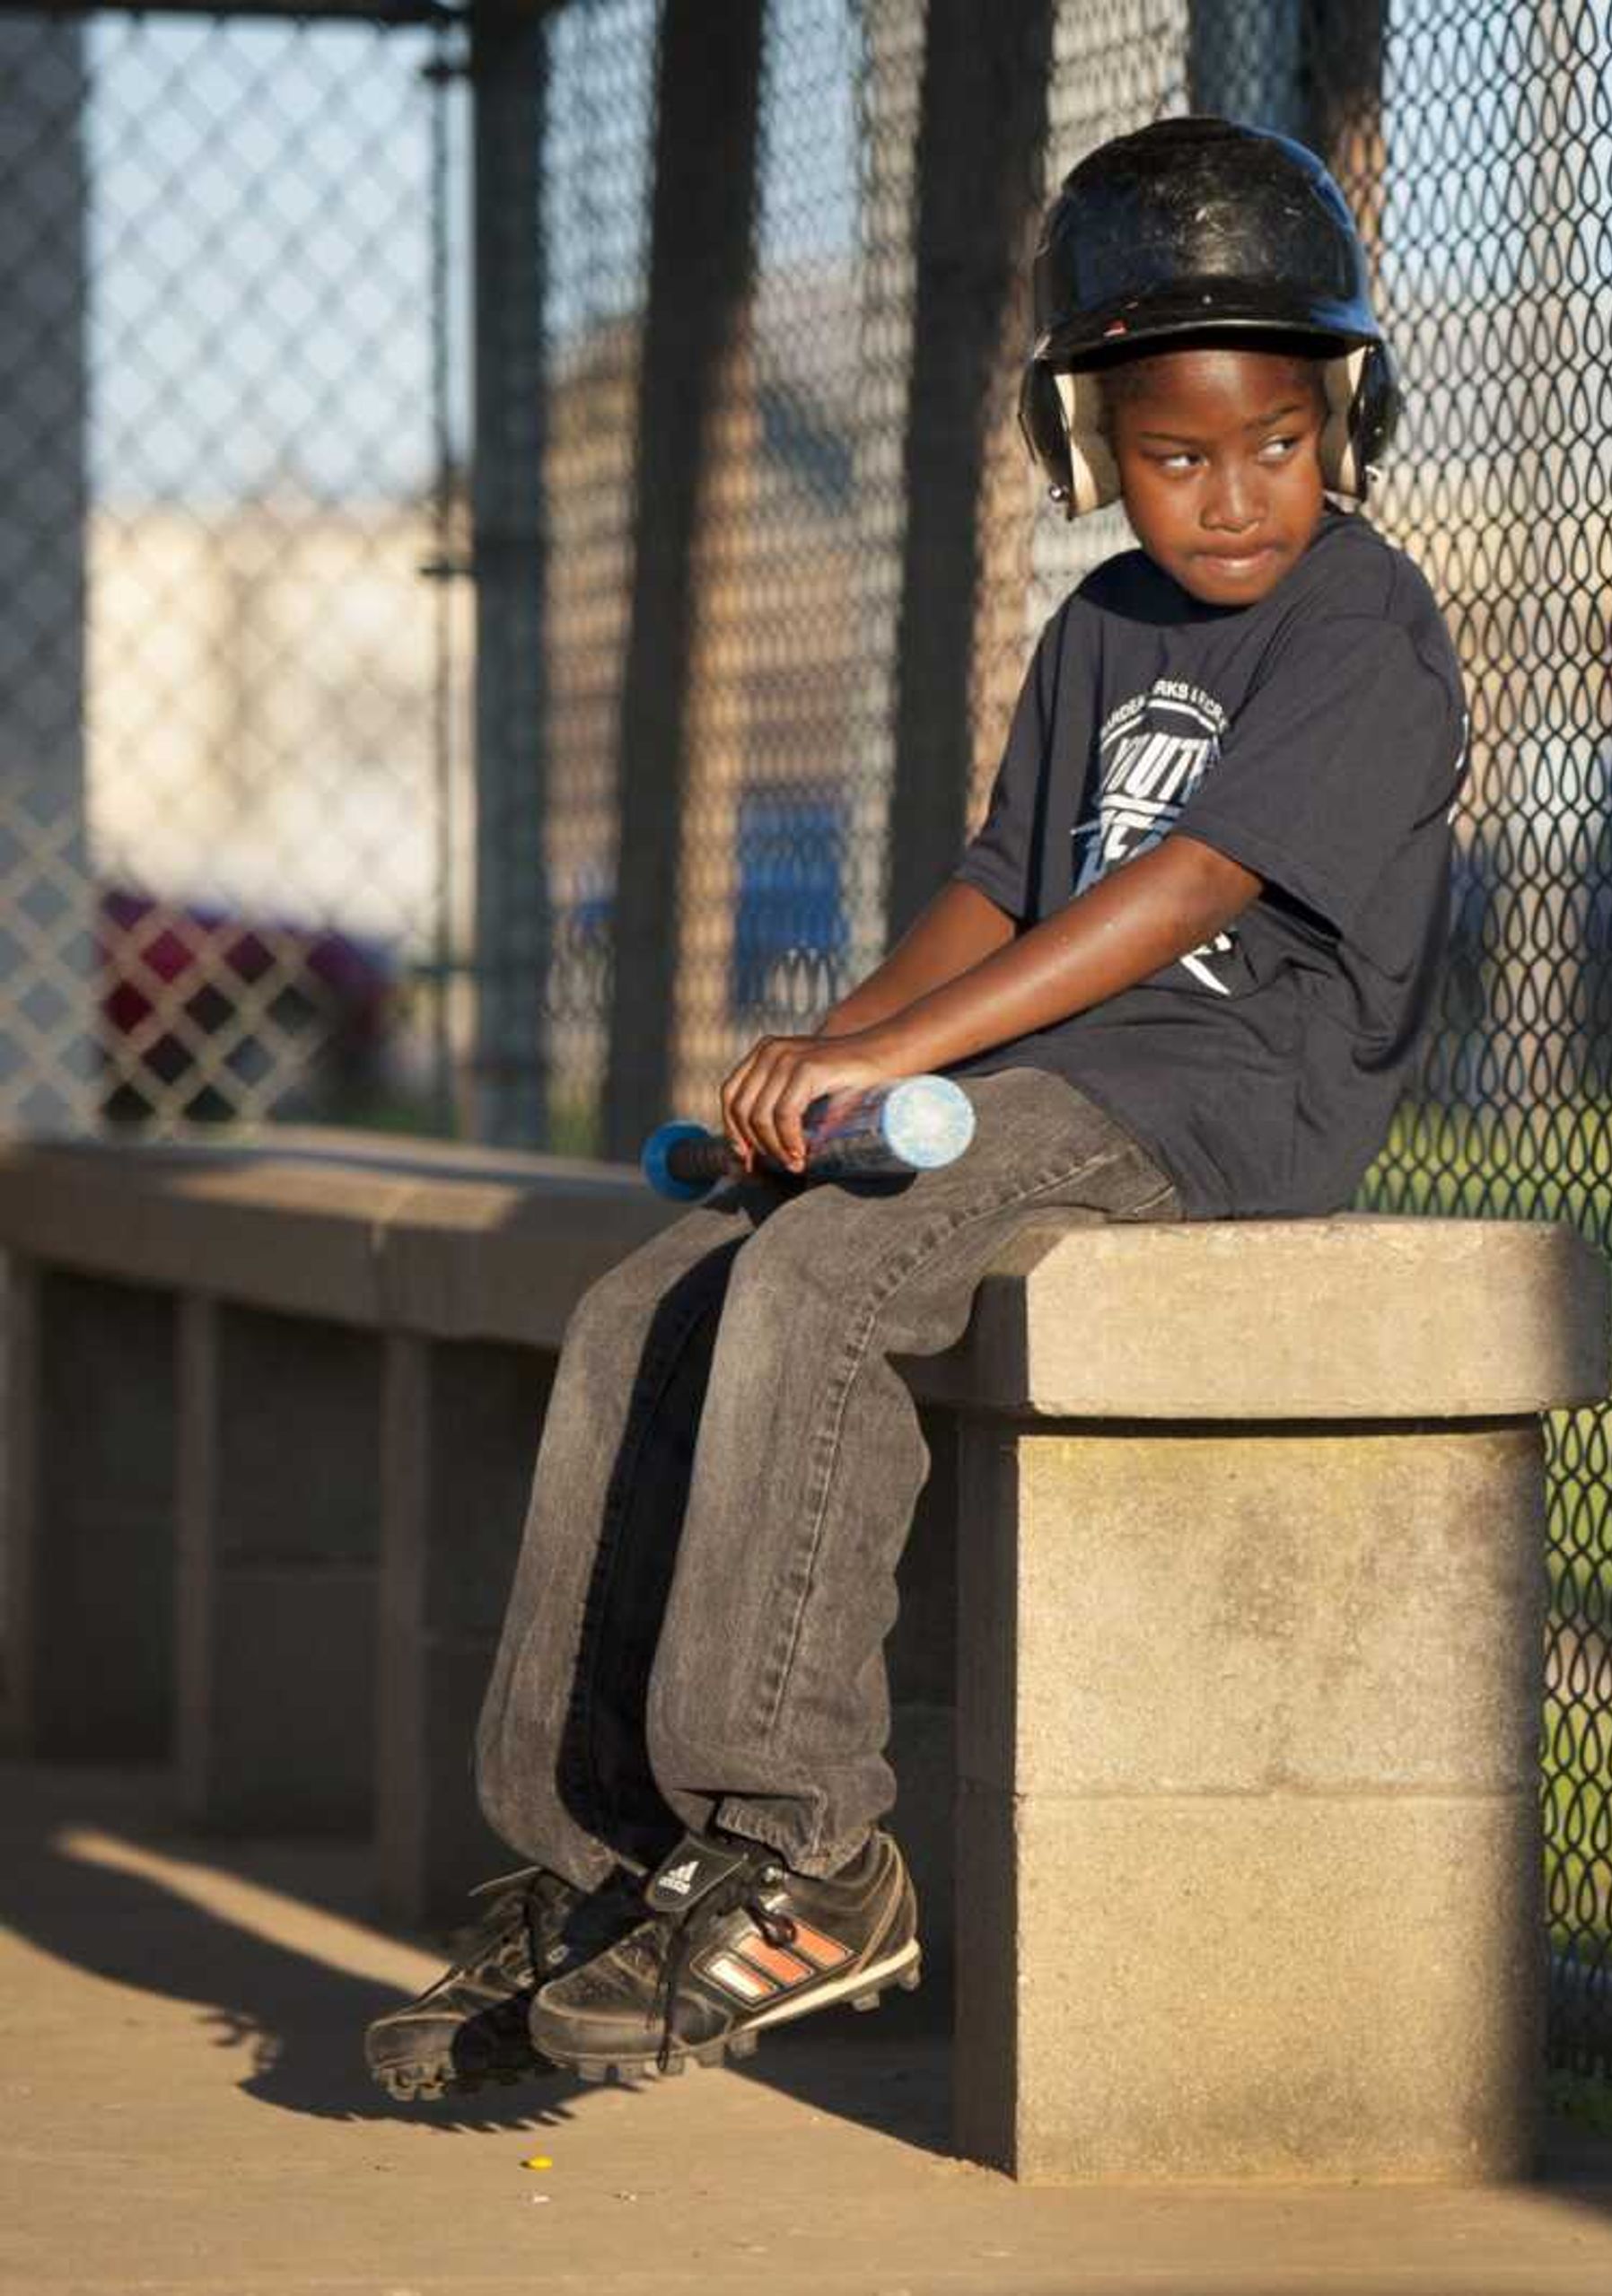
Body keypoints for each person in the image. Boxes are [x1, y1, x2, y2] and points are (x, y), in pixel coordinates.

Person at [364, 117, 1466, 2095]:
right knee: (656, 1303)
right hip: (1037, 1080)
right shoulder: (1103, 629)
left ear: (1341, 420)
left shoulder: (1363, 624)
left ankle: (804, 1845)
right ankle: (613, 1857)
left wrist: (904, 1066)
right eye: (1177, 453)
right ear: (1093, 453)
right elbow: (1001, 885)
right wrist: (826, 1055)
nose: (1230, 494)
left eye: (1275, 441)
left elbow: (1193, 882)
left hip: (1214, 1102)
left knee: (827, 1286)